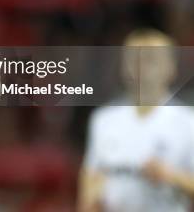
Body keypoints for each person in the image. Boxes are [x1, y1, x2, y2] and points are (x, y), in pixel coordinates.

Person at [78, 29, 194, 212]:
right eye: (133, 60)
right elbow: (90, 185)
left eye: (150, 60)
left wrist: (172, 176)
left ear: (171, 68)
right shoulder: (103, 120)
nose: (141, 68)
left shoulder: (188, 122)